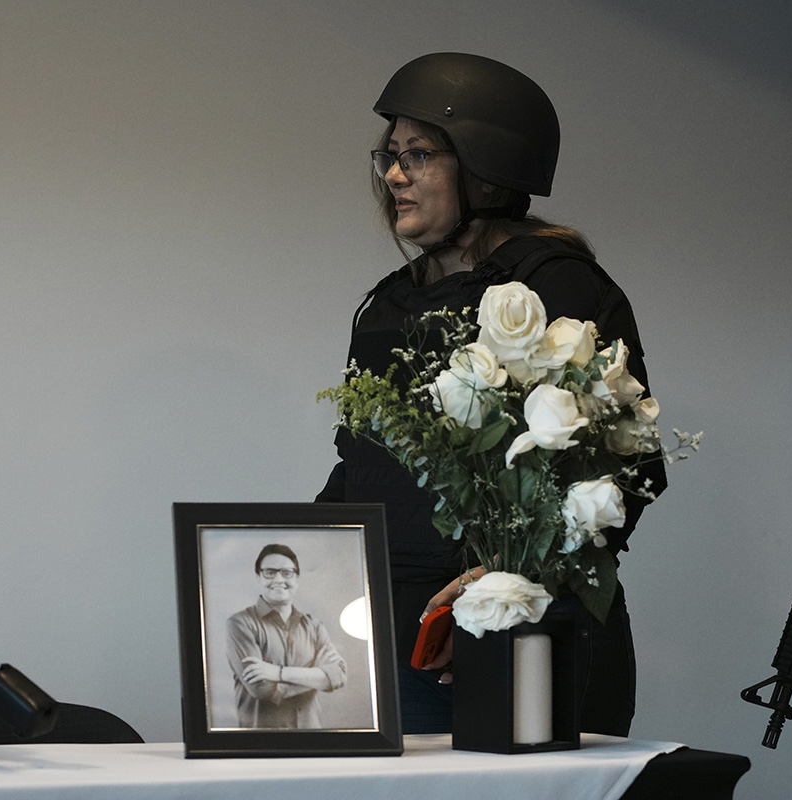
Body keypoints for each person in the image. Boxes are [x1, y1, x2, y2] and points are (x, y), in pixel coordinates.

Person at [315, 52, 665, 735]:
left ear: (485, 167)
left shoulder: (560, 286)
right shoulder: (389, 304)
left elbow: (620, 475)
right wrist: (302, 565)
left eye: (417, 155)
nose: (394, 175)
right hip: (399, 643)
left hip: (522, 635)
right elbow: (365, 472)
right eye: (388, 155)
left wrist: (493, 587)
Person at [226, 544, 347, 728]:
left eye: (287, 572)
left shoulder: (314, 626)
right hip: (261, 743)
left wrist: (278, 673)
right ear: (258, 577)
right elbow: (262, 688)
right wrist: (320, 678)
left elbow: (338, 676)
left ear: (297, 579)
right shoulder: (240, 624)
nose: (278, 578)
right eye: (269, 572)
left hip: (312, 738)